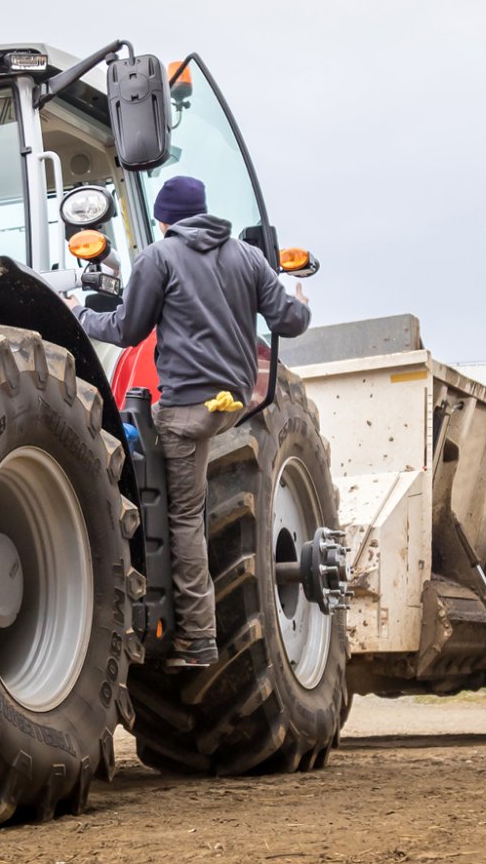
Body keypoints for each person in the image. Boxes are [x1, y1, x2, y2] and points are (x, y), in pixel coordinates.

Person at [69, 176, 311, 668]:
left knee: (178, 512)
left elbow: (128, 328)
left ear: (162, 220)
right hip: (235, 402)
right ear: (203, 212)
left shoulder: (158, 258)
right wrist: (301, 302)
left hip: (186, 409)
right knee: (162, 451)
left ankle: (197, 639)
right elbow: (288, 320)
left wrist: (80, 315)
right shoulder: (248, 258)